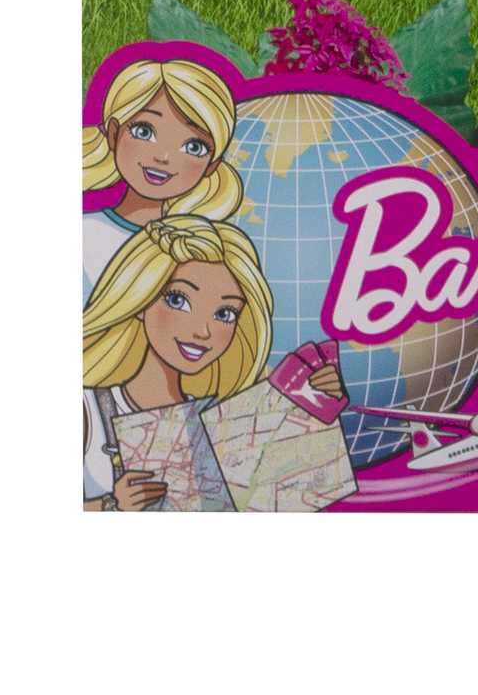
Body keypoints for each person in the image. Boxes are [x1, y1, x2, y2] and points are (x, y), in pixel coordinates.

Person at [81, 215, 346, 511]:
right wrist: (110, 506)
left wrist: (315, 410)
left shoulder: (226, 421)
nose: (203, 331)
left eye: (224, 314)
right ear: (141, 298)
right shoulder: (88, 409)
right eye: (178, 300)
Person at [82, 57, 243, 302]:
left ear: (211, 165)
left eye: (194, 146)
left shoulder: (200, 248)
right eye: (144, 131)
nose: (164, 157)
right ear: (114, 133)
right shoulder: (86, 230)